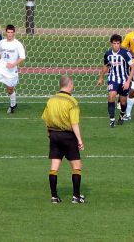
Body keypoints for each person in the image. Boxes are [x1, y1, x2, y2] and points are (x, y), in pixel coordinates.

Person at [41, 75, 85, 204]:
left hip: (54, 135)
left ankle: (54, 197)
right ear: (70, 85)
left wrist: (49, 132)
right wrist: (79, 140)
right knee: (76, 166)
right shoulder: (72, 101)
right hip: (68, 137)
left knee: (54, 166)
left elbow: (46, 119)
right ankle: (76, 197)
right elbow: (74, 123)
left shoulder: (51, 100)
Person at [97, 34, 134, 128]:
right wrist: (101, 78)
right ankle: (112, 119)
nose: (116, 45)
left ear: (120, 44)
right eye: (114, 43)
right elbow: (106, 66)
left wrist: (128, 81)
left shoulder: (125, 53)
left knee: (123, 101)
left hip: (124, 80)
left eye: (118, 43)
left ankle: (122, 114)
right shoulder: (107, 54)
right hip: (113, 79)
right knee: (111, 95)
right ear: (111, 43)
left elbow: (133, 68)